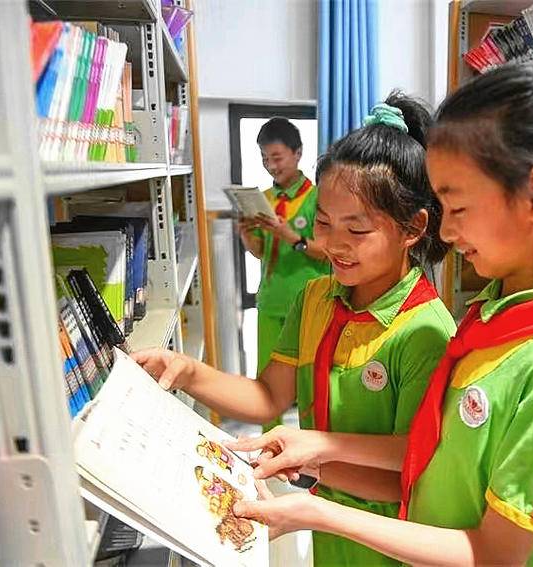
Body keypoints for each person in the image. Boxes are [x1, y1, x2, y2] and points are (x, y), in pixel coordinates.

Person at [229, 66, 533, 566]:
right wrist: (316, 451)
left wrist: (318, 511)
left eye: (457, 209)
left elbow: (494, 555)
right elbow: (434, 451)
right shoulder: (495, 316)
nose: (445, 233)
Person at [134, 92, 456, 566]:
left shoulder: (426, 332)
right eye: (324, 223)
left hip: (388, 541)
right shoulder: (316, 299)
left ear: (412, 228)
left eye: (357, 230)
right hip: (326, 529)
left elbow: (408, 472)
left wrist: (309, 466)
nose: (334, 245)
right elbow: (269, 396)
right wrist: (188, 373)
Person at [238, 118, 329, 376]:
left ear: (297, 153)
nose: (271, 166)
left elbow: (328, 253)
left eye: (277, 158)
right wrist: (246, 234)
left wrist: (292, 237)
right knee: (268, 378)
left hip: (308, 305)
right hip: (270, 302)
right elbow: (261, 252)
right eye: (265, 159)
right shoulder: (263, 199)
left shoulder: (319, 198)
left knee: (308, 379)